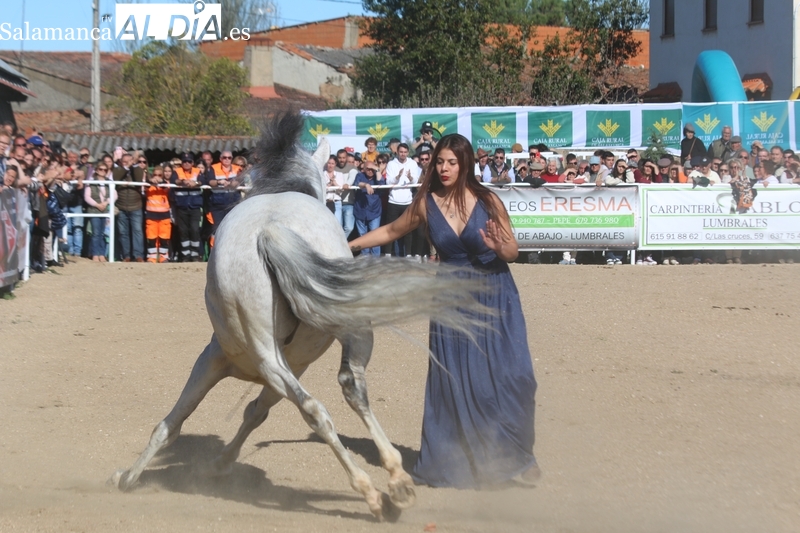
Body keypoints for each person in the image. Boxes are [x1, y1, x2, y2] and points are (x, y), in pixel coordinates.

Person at [349, 134, 540, 488]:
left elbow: (512, 250)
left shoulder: (488, 200)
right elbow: (391, 230)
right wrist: (350, 246)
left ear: (465, 164)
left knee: (516, 377)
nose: (444, 168)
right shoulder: (426, 203)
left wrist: (500, 247)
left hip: (495, 293)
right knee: (461, 381)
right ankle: (467, 461)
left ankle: (518, 453)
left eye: (452, 162)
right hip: (451, 298)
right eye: (439, 161)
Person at [112, 153, 145, 262]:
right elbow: (116, 177)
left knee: (137, 231)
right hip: (121, 206)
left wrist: (134, 166)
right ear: (121, 162)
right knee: (123, 232)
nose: (127, 163)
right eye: (125, 162)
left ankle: (138, 255)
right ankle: (126, 255)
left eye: (129, 161)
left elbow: (139, 180)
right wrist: (125, 168)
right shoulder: (117, 170)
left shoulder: (137, 170)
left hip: (136, 206)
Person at [352, 161, 386, 256]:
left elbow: (381, 183)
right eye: (368, 169)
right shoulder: (360, 175)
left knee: (375, 236)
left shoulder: (377, 176)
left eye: (372, 169)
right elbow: (357, 183)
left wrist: (377, 169)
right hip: (360, 210)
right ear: (364, 169)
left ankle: (375, 259)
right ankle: (365, 258)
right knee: (362, 236)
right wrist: (366, 185)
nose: (370, 171)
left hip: (374, 211)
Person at [83, 162, 115, 262]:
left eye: (105, 170)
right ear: (96, 170)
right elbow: (87, 197)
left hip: (105, 210)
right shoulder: (90, 182)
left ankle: (102, 254)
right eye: (101, 169)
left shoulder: (110, 182)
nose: (103, 171)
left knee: (102, 233)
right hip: (94, 210)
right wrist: (97, 205)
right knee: (96, 233)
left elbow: (115, 195)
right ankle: (95, 254)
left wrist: (106, 202)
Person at [144, 166, 172, 263]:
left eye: (159, 175)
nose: (157, 177)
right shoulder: (148, 184)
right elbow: (145, 187)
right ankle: (151, 257)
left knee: (164, 237)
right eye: (155, 175)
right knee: (151, 237)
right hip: (151, 215)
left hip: (164, 215)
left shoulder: (166, 183)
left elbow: (166, 188)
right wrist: (150, 181)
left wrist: (161, 182)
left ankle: (163, 257)